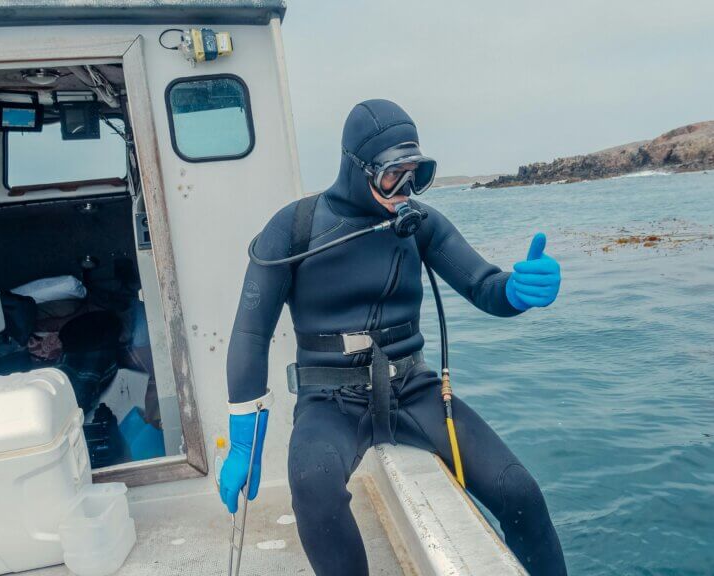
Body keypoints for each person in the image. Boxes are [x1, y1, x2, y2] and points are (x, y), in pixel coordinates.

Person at [220, 99, 566, 575]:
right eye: (393, 175)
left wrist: (519, 291)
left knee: (519, 490)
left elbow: (484, 287)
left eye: (416, 175)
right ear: (355, 168)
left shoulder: (420, 224)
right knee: (313, 488)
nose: (406, 189)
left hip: (414, 390)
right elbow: (249, 334)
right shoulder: (293, 229)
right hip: (329, 400)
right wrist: (244, 436)